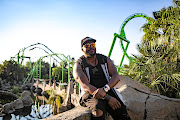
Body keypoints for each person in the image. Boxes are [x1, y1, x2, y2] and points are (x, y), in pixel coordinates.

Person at [73, 37, 131, 120]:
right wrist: (107, 98)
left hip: (106, 89)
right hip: (89, 93)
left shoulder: (104, 59)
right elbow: (85, 86)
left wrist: (105, 90)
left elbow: (116, 76)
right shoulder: (79, 65)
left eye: (92, 45)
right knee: (97, 109)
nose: (90, 47)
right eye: (87, 45)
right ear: (82, 49)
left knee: (120, 109)